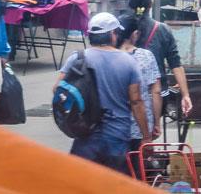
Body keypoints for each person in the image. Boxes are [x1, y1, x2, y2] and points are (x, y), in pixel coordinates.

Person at [56, 12, 150, 174]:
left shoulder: (78, 59)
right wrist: (146, 135)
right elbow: (136, 101)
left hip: (85, 134)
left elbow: (58, 90)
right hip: (117, 137)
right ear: (113, 35)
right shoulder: (128, 62)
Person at [121, 0, 193, 118]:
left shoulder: (120, 27)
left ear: (129, 4)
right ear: (151, 4)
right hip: (157, 98)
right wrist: (185, 95)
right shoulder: (162, 30)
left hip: (125, 95)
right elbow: (175, 64)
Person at [117, 16, 163, 161]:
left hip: (115, 128)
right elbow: (155, 91)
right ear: (135, 34)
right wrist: (156, 124)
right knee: (138, 172)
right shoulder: (146, 56)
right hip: (141, 129)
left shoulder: (110, 56)